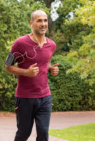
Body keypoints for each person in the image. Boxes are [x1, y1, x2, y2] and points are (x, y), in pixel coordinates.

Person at [5, 10, 59, 141]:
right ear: (31, 23)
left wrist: (50, 68)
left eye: (45, 20)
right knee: (23, 134)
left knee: (43, 133)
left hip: (45, 96)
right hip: (25, 98)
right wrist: (26, 72)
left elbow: (45, 62)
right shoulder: (20, 43)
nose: (43, 24)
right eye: (39, 20)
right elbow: (8, 66)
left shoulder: (51, 45)